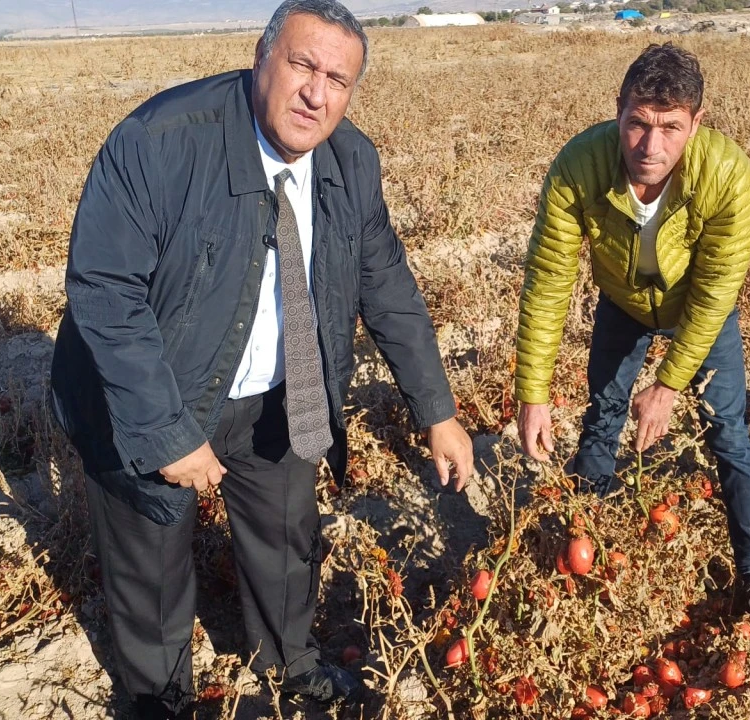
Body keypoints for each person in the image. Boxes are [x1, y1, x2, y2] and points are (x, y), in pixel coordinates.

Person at [49, 0, 474, 715]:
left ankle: (290, 662)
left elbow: (387, 285)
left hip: (278, 391)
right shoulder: (160, 143)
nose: (317, 92)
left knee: (285, 539)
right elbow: (104, 292)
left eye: (337, 79)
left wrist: (437, 411)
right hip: (154, 392)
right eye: (303, 65)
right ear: (261, 57)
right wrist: (166, 432)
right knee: (153, 561)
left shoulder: (351, 160)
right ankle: (160, 697)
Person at [514, 43, 750, 642]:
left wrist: (669, 383)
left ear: (696, 123)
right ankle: (582, 551)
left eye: (670, 128)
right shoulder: (580, 166)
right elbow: (548, 282)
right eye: (638, 124)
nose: (651, 147)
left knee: (727, 430)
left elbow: (718, 289)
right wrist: (532, 392)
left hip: (699, 311)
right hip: (622, 302)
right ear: (617, 111)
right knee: (603, 416)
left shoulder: (727, 175)